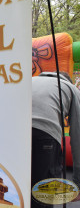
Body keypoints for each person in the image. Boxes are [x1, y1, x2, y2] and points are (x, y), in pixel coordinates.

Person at [32, 71, 80, 207]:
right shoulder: (70, 88)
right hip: (45, 134)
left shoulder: (31, 81)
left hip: (18, 132)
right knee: (43, 191)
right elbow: (77, 135)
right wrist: (78, 183)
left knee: (20, 186)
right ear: (68, 80)